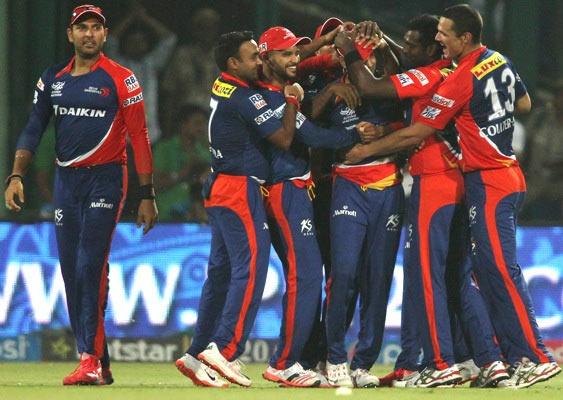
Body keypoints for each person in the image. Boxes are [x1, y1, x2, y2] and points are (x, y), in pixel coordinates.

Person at [342, 4, 561, 389]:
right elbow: (524, 104)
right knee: (475, 275)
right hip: (491, 177)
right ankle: (493, 361)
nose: (440, 38)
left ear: (464, 38)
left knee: (475, 272)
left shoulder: (458, 77)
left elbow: (415, 133)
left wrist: (365, 151)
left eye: (444, 34)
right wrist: (489, 117)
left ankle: (525, 357)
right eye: (437, 33)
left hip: (479, 180)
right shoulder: (498, 60)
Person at [4, 4, 158, 385]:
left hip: (107, 179)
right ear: (70, 35)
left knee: (91, 262)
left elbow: (139, 136)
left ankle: (89, 358)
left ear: (105, 36)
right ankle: (96, 361)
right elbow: (33, 128)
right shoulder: (52, 79)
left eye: (96, 28)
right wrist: (16, 175)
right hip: (66, 182)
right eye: (82, 28)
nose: (89, 34)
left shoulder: (123, 78)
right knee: (72, 269)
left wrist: (147, 193)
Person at [174, 30, 303, 388]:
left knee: (220, 273)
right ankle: (226, 349)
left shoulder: (223, 85)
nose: (260, 61)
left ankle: (195, 352)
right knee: (251, 270)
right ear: (234, 63)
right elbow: (284, 139)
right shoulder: (246, 99)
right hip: (239, 188)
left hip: (219, 184)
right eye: (252, 57)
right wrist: (292, 101)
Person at [256, 26, 362, 388]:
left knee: (307, 277)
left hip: (295, 188)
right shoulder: (274, 97)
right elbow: (313, 136)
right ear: (265, 57)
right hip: (286, 188)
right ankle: (285, 362)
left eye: (295, 54)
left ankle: (293, 360)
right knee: (306, 276)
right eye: (285, 54)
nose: (294, 60)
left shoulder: (277, 90)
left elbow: (307, 59)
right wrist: (356, 135)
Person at [105, 3, 177, 144]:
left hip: (150, 133)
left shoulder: (152, 63)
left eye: (141, 42)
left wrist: (145, 18)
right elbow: (110, 41)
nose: (137, 45)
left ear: (147, 44)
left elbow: (170, 39)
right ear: (125, 44)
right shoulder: (118, 64)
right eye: (133, 42)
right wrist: (130, 18)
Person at [152, 104, 210, 221]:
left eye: (204, 124)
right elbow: (154, 185)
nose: (202, 128)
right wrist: (182, 174)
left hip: (197, 219)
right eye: (197, 123)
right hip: (166, 220)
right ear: (183, 125)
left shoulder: (205, 153)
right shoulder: (164, 149)